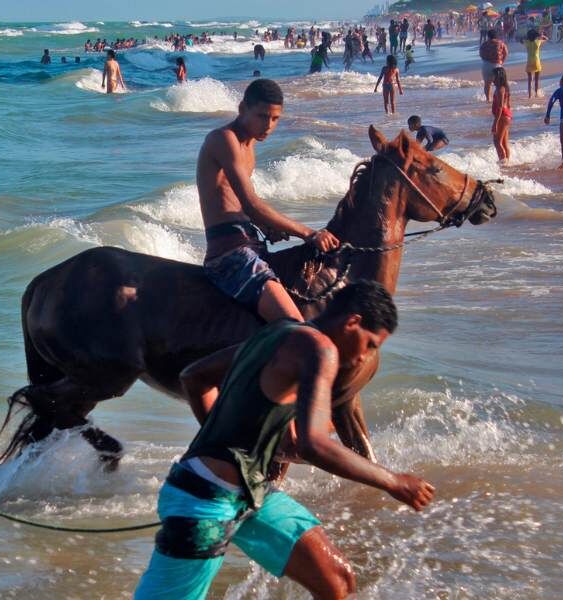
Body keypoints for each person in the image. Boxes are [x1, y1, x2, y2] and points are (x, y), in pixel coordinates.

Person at [134, 281, 435, 600]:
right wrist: (393, 482)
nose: (365, 358)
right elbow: (314, 445)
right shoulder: (321, 349)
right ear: (353, 323)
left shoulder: (278, 333)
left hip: (251, 493)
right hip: (204, 501)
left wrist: (234, 442)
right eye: (371, 344)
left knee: (337, 582)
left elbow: (194, 377)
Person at [194, 79, 339, 324]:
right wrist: (309, 233)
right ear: (242, 109)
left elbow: (235, 205)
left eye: (275, 119)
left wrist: (267, 228)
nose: (269, 126)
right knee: (296, 326)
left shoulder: (249, 146)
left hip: (251, 243)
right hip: (230, 254)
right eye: (262, 116)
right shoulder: (223, 139)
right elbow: (251, 204)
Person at [490, 67, 513, 163]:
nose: (492, 78)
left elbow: (499, 107)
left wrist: (495, 123)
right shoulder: (505, 88)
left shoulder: (500, 89)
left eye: (493, 76)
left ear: (498, 77)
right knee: (504, 142)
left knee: (497, 142)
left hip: (502, 116)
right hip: (506, 115)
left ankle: (503, 163)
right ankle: (507, 161)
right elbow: (509, 105)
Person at [479, 30, 508, 104]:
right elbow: (506, 53)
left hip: (486, 65)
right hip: (497, 65)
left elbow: (481, 54)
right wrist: (502, 61)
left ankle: (488, 99)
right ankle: (498, 99)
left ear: (488, 36)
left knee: (487, 84)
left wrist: (486, 59)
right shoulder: (500, 43)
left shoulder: (484, 44)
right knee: (499, 85)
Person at [524, 29, 548, 98]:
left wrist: (527, 37)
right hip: (537, 62)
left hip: (529, 62)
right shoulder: (538, 42)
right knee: (536, 80)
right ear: (535, 36)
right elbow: (546, 39)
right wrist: (541, 35)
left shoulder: (527, 42)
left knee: (529, 80)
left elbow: (520, 40)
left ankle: (529, 95)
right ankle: (536, 94)